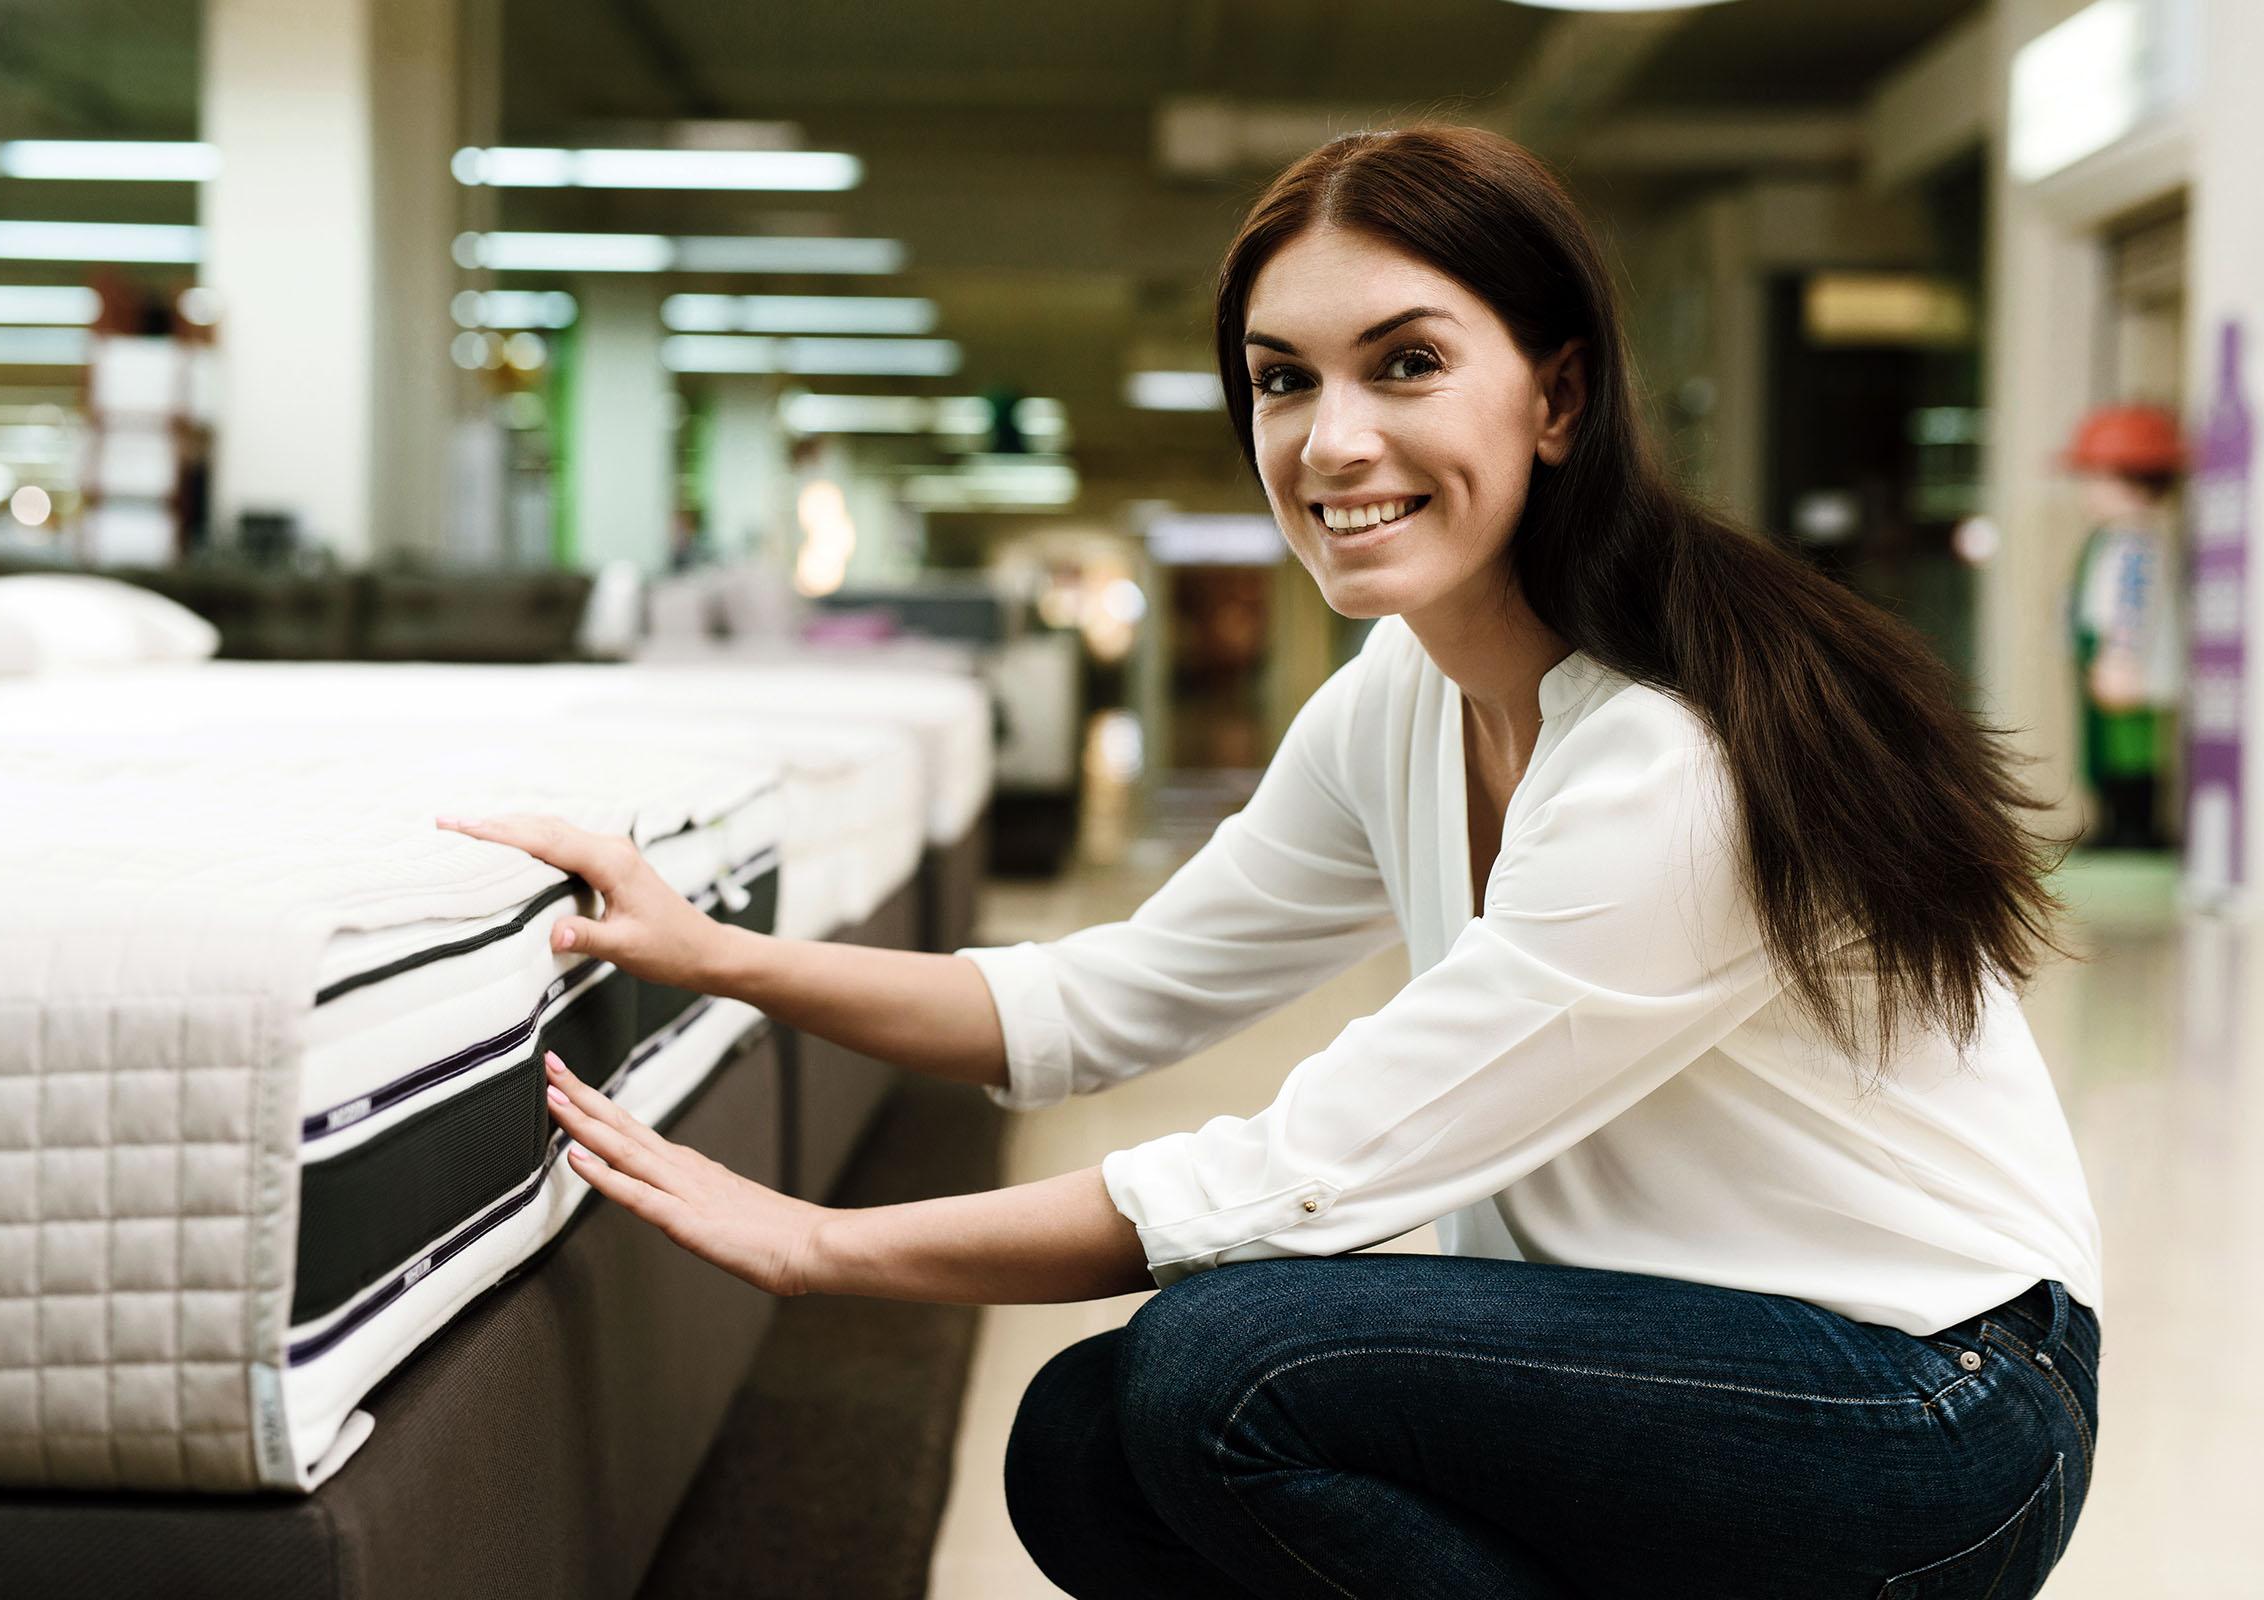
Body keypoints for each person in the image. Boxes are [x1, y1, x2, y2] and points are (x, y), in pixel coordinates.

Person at [440, 126, 2101, 1599]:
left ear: (1560, 392)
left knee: (1226, 1365)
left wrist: (825, 1249)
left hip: (1933, 1404)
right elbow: (1107, 1001)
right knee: (1086, 1448)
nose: (1329, 438)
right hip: (1669, 1358)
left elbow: (1298, 1178)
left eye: (1405, 365)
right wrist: (712, 949)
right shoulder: (1404, 696)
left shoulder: (1673, 754)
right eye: (1284, 377)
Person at [2064, 404, 2186, 850]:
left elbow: (2133, 604)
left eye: (2097, 480)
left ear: (2137, 483)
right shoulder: (2113, 539)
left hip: (2125, 659)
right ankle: (2117, 820)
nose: (2088, 493)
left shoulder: (2137, 543)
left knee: (2132, 747)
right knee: (2105, 748)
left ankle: (2135, 824)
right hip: (2102, 653)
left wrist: (2121, 655)